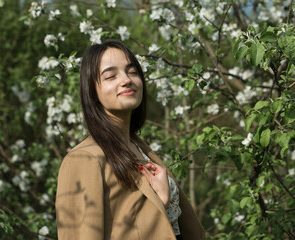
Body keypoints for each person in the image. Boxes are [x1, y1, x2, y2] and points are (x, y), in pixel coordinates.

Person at [55, 40, 205, 240]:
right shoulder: (84, 159)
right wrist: (161, 201)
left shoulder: (140, 148)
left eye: (132, 72)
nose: (126, 80)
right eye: (110, 76)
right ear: (92, 91)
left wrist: (163, 201)